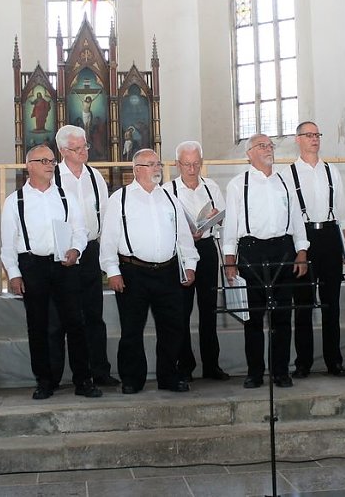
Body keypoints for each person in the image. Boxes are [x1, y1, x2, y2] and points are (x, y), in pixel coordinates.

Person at [0, 144, 102, 400]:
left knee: (76, 323)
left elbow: (80, 230)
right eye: (43, 161)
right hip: (32, 266)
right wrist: (14, 273)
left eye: (52, 161)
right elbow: (8, 243)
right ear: (29, 166)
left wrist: (76, 250)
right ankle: (44, 381)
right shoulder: (15, 201)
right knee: (39, 326)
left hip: (64, 266)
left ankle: (83, 380)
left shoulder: (66, 197)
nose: (49, 165)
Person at [99, 149, 199, 394]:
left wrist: (190, 265)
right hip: (133, 272)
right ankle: (132, 379)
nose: (157, 168)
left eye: (158, 164)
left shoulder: (169, 198)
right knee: (132, 329)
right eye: (151, 164)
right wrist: (112, 270)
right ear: (137, 169)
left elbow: (183, 237)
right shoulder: (120, 198)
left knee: (172, 327)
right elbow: (109, 238)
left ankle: (169, 376)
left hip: (168, 271)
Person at [222, 134, 309, 389]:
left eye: (270, 145)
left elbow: (296, 219)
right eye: (262, 146)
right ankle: (255, 372)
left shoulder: (285, 181)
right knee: (253, 318)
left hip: (283, 250)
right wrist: (230, 259)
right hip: (252, 251)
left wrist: (302, 251)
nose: (268, 149)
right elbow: (231, 224)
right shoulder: (238, 184)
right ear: (249, 153)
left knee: (282, 316)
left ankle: (281, 371)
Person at [285, 122, 345, 379]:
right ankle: (303, 362)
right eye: (309, 135)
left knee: (331, 304)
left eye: (317, 135)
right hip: (301, 237)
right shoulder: (287, 174)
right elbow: (287, 214)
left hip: (329, 236)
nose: (314, 139)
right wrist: (296, 249)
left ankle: (334, 361)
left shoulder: (331, 170)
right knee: (302, 304)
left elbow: (343, 210)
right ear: (298, 139)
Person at [55, 125, 119, 387]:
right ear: (62, 150)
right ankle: (64, 375)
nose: (83, 152)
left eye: (85, 146)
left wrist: (106, 250)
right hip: (62, 252)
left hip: (90, 249)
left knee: (94, 314)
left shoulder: (95, 176)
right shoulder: (54, 177)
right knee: (64, 317)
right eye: (77, 148)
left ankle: (99, 370)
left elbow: (106, 214)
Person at [170, 140, 229, 382]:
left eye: (196, 164)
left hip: (206, 249)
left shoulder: (211, 187)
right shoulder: (169, 190)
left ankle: (211, 365)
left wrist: (216, 217)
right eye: (187, 164)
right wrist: (185, 231)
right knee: (181, 310)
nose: (192, 169)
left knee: (209, 309)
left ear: (201, 163)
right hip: (181, 253)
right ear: (177, 165)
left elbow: (225, 218)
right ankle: (185, 366)